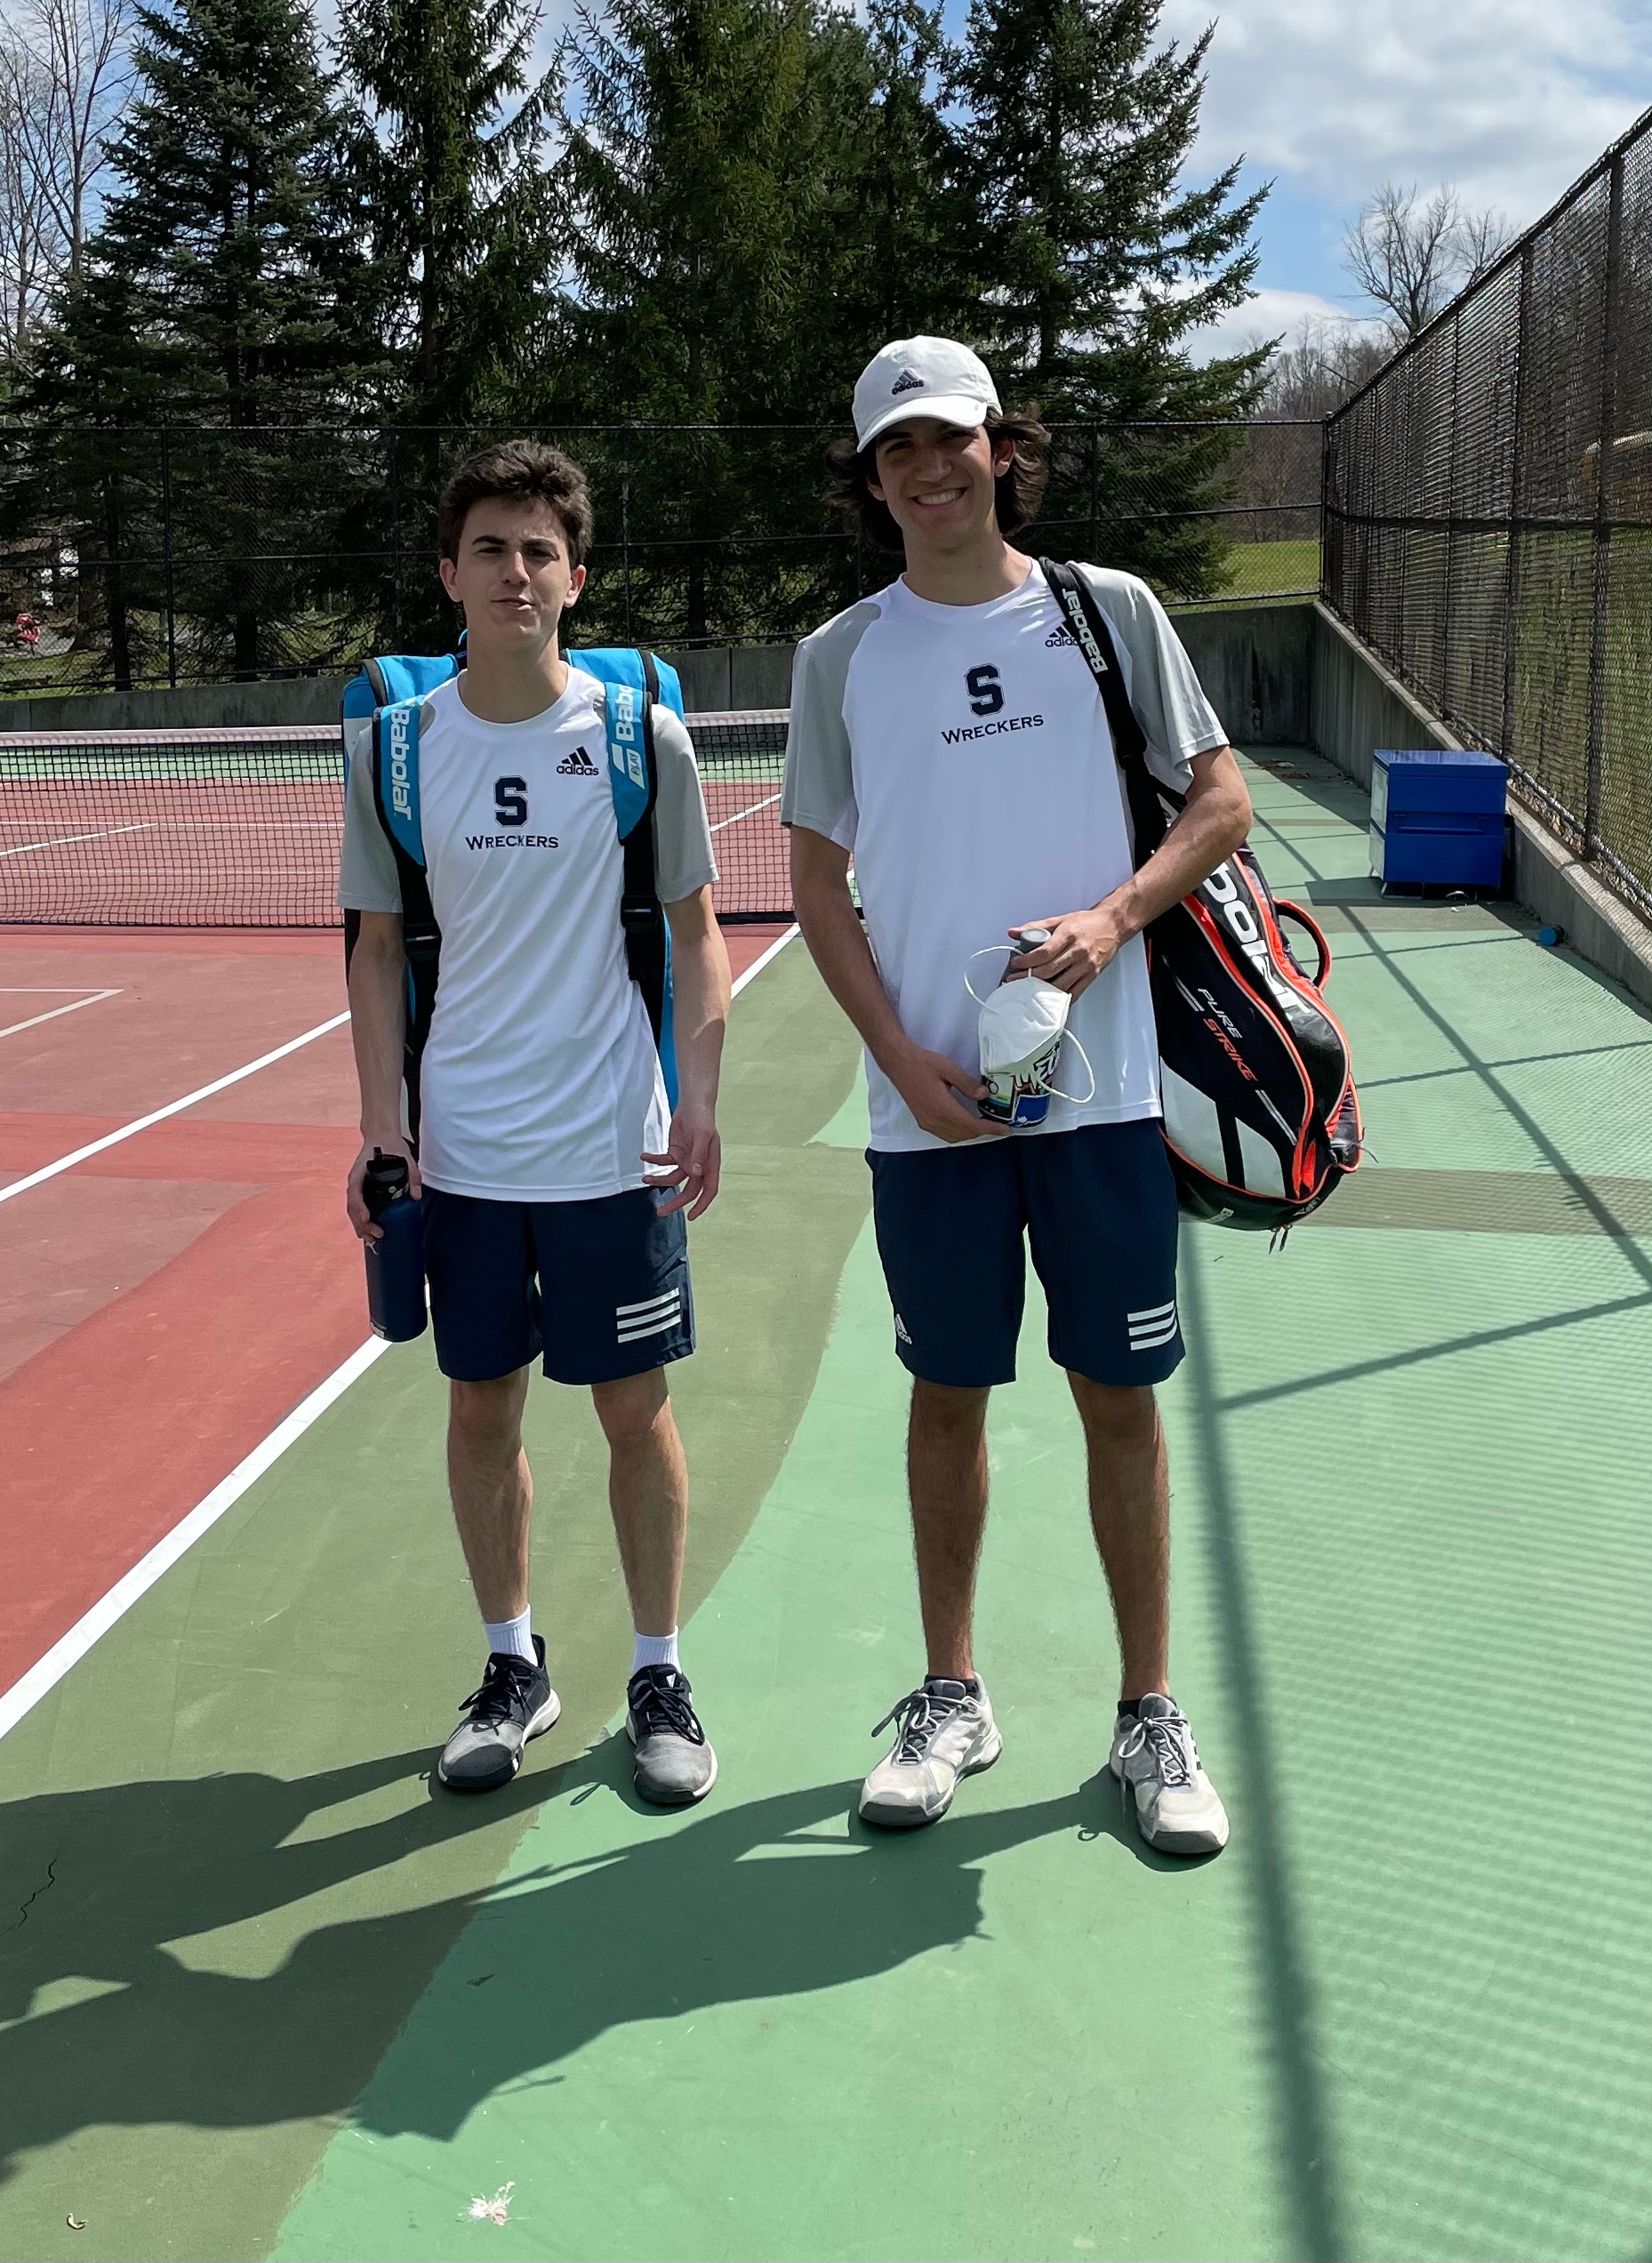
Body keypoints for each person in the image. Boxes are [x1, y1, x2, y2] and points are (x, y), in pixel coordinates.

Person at [782, 337, 1253, 1851]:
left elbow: (1220, 802)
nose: (928, 469)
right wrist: (897, 1060)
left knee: (1119, 1395)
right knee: (946, 1395)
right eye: (897, 451)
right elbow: (815, 882)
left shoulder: (1105, 610)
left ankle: (1146, 1712)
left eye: (950, 439)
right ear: (871, 480)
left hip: (1102, 1098)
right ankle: (951, 1693)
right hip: (931, 1108)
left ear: (1000, 445)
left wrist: (1112, 920)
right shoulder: (839, 657)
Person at [341, 439, 731, 1804]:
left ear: (575, 576)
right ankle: (513, 1664)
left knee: (634, 1410)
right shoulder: (394, 748)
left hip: (612, 1140)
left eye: (539, 550)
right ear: (448, 574)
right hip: (465, 1150)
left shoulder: (638, 738)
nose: (516, 570)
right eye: (490, 548)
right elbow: (375, 950)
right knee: (479, 1408)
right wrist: (382, 1127)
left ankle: (658, 1671)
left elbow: (697, 929)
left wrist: (699, 1099)